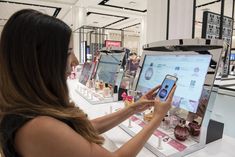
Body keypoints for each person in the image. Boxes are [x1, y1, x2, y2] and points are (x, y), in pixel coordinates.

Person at [0, 9, 176, 157]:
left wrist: (132, 108)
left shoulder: (31, 108)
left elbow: (79, 130)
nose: (75, 61)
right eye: (69, 52)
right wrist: (157, 118)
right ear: (43, 60)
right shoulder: (38, 127)